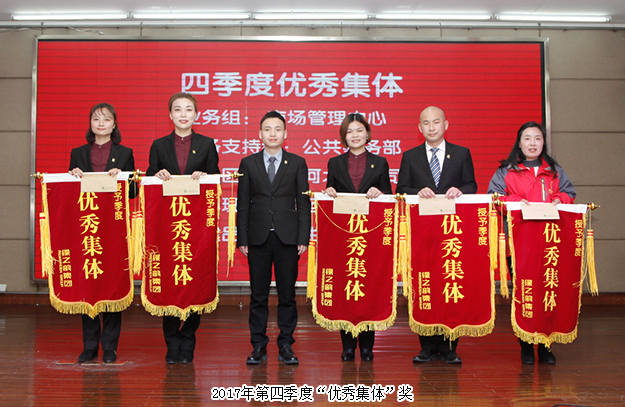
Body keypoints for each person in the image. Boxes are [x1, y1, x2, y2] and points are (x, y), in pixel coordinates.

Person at [487, 121, 575, 365]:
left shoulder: (555, 170)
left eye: (537, 138)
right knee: (523, 292)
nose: (532, 143)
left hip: (550, 243)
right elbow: (494, 197)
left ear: (543, 142)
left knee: (548, 290)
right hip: (518, 244)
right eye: (527, 138)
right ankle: (525, 344)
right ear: (519, 142)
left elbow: (570, 193)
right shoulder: (506, 171)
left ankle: (546, 345)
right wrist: (515, 202)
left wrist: (560, 199)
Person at [396, 106, 477, 364]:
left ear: (446, 124)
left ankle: (450, 346)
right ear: (419, 127)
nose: (431, 127)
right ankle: (427, 346)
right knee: (425, 283)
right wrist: (417, 191)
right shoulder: (410, 156)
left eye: (436, 122)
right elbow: (401, 189)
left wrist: (460, 191)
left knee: (451, 282)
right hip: (423, 232)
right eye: (426, 123)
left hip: (453, 232)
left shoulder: (462, 154)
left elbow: (472, 185)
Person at [146, 92, 219, 364]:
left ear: (196, 115)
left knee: (194, 281)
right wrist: (157, 175)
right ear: (170, 115)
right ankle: (171, 343)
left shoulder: (207, 144)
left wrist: (205, 176)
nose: (183, 114)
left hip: (195, 229)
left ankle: (188, 342)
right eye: (178, 109)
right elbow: (148, 182)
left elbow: (216, 181)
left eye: (189, 109)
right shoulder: (159, 145)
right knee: (169, 280)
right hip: (168, 228)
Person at [236, 111, 311, 365]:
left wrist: (303, 237)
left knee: (287, 295)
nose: (272, 133)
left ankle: (286, 344)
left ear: (285, 133)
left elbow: (303, 204)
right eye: (267, 129)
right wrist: (242, 238)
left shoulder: (297, 163)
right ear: (260, 134)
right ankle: (258, 345)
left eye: (278, 129)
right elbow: (243, 204)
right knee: (258, 295)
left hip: (288, 238)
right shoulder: (248, 163)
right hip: (257, 238)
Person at [322, 113, 393, 362]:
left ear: (368, 133)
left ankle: (367, 346)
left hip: (369, 236)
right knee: (346, 285)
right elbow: (330, 192)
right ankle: (348, 346)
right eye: (350, 131)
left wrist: (379, 192)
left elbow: (389, 197)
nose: (355, 135)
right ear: (344, 136)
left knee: (368, 285)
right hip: (344, 236)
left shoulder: (380, 162)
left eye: (359, 130)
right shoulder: (334, 163)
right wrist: (329, 191)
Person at [69, 102, 136, 363]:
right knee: (89, 285)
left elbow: (133, 192)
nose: (101, 123)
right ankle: (89, 346)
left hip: (114, 230)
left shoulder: (125, 153)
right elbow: (69, 193)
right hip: (87, 228)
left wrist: (124, 177)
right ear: (90, 123)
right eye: (96, 119)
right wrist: (72, 175)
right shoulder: (78, 153)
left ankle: (109, 347)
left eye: (106, 119)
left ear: (114, 124)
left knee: (112, 285)